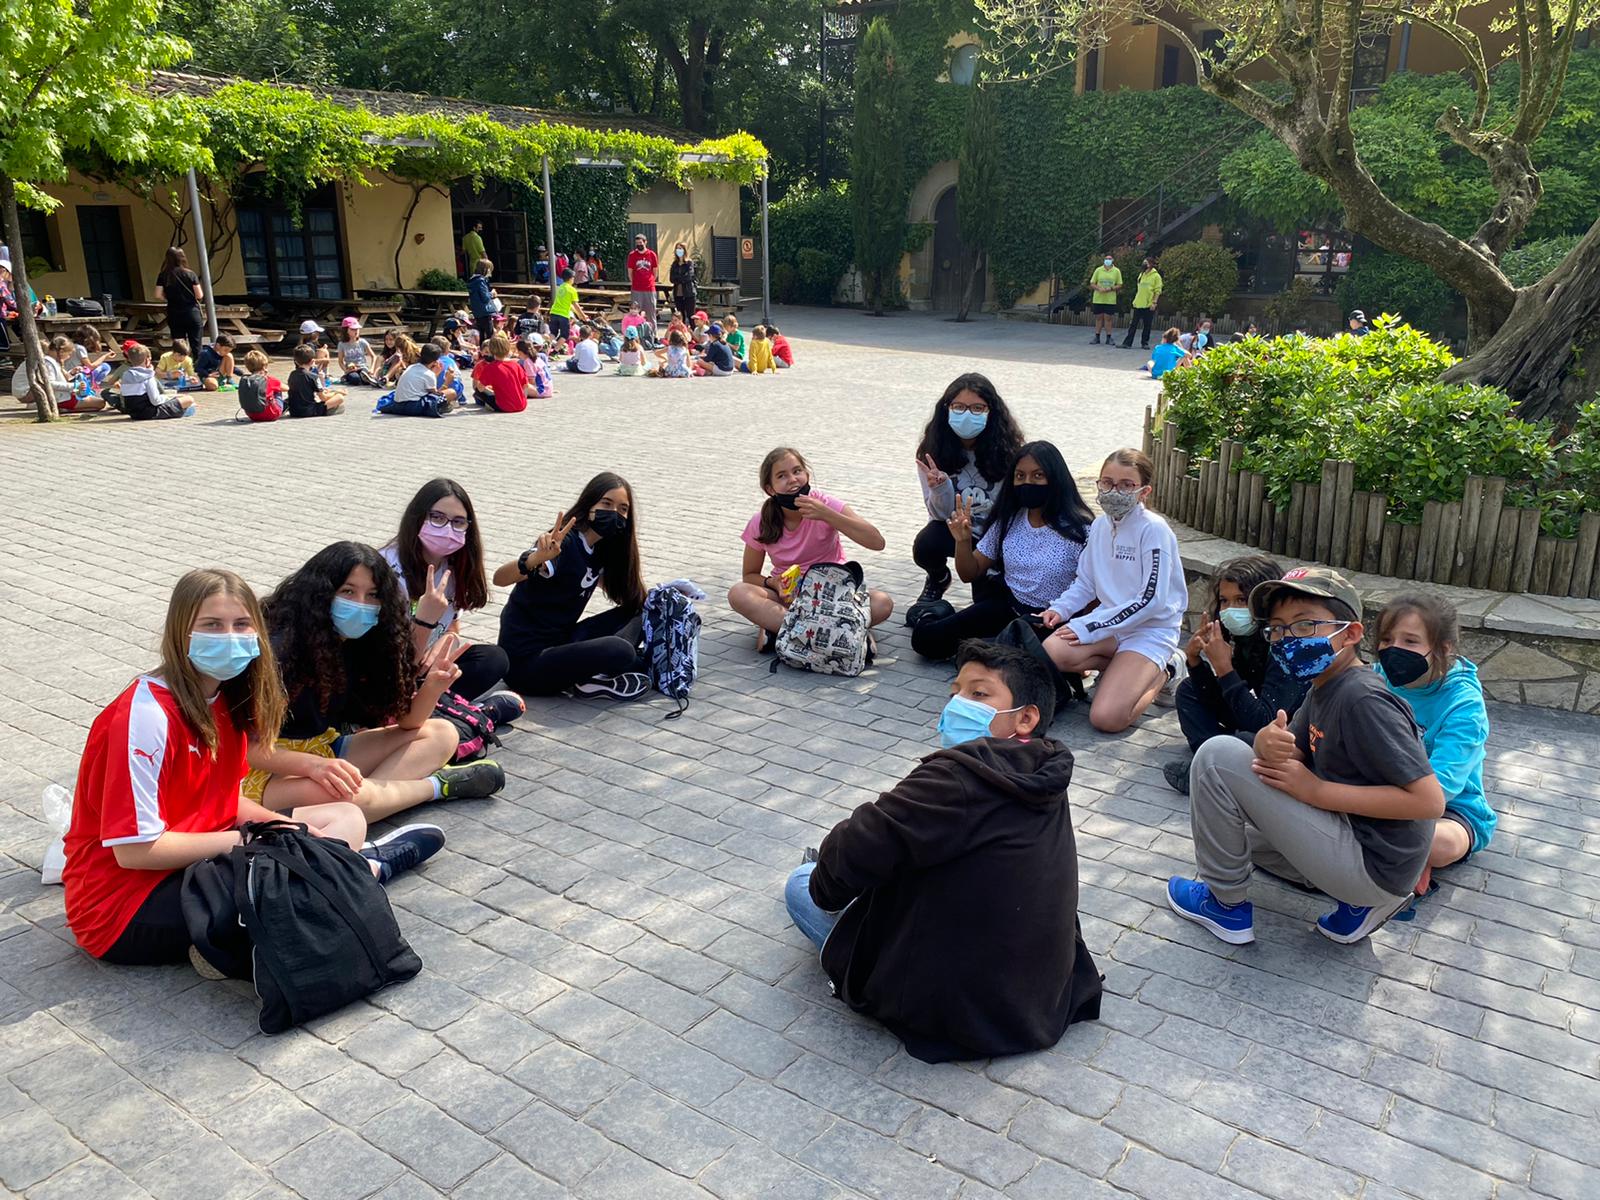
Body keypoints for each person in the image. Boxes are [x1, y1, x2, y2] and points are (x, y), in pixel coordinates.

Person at [63, 568, 444, 967]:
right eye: (212, 625)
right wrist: (254, 840)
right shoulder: (145, 717)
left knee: (342, 817)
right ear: (181, 633)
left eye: (242, 624)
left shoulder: (228, 699)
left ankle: (348, 869)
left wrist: (284, 829)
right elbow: (135, 851)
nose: (230, 636)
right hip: (124, 906)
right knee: (282, 888)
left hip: (199, 855)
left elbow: (225, 802)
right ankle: (362, 869)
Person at [784, 640, 1102, 1062]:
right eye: (956, 692)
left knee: (801, 884)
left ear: (1026, 717)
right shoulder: (1042, 769)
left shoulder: (956, 778)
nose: (958, 703)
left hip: (956, 1005)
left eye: (979, 693)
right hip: (1037, 994)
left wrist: (830, 876)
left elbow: (846, 860)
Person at [1166, 567, 1444, 945]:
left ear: (1350, 633)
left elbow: (1429, 802)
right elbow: (1292, 751)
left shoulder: (1362, 699)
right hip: (1361, 847)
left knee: (1216, 756)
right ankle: (1358, 905)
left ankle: (1224, 906)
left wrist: (1316, 792)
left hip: (1374, 864)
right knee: (1234, 836)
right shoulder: (1324, 685)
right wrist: (1266, 742)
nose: (1287, 638)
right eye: (1278, 629)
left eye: (1304, 625)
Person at [246, 542, 505, 821]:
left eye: (372, 595)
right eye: (348, 591)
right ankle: (433, 788)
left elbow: (408, 722)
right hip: (263, 770)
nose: (361, 604)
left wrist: (433, 687)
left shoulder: (360, 642)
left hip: (321, 750)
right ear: (319, 592)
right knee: (351, 796)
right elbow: (241, 749)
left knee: (443, 733)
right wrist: (312, 766)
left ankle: (373, 802)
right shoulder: (279, 650)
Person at [1039, 449, 1188, 733]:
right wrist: (1060, 609)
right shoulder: (1099, 525)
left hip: (1150, 630)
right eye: (1107, 483)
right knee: (1053, 651)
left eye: (1126, 485)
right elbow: (1086, 582)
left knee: (1106, 718)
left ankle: (1167, 669)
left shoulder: (1154, 530)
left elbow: (1151, 601)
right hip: (1112, 625)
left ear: (1144, 491)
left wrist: (1091, 627)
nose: (1114, 492)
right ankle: (1121, 672)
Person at [913, 442, 1092, 662]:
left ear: (1056, 478)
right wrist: (963, 541)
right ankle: (938, 613)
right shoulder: (1009, 519)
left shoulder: (1081, 530)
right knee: (925, 640)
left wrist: (1083, 633)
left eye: (1038, 476)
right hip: (1008, 607)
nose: (1028, 482)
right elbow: (970, 572)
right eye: (1020, 476)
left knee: (1013, 662)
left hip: (1053, 620)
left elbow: (1093, 588)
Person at [1374, 593, 1492, 894]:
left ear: (1443, 648)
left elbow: (1444, 787)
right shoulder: (1374, 680)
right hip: (1376, 793)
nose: (1394, 649)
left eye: (1410, 641)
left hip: (1449, 809)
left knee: (1439, 844)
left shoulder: (1464, 704)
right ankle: (1400, 860)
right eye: (1387, 639)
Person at [1162, 555, 1310, 795]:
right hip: (1260, 725)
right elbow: (1227, 697)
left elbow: (1264, 720)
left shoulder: (1285, 645)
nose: (1231, 610)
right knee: (1189, 690)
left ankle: (1210, 771)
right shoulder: (1247, 638)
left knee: (1251, 737)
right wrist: (1195, 661)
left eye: (1241, 600)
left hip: (1290, 739)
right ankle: (1212, 759)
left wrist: (1224, 668)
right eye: (1224, 601)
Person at [494, 474, 651, 699]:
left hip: (561, 644)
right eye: (606, 504)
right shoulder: (563, 543)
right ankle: (601, 675)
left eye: (622, 509)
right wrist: (535, 559)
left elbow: (629, 598)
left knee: (641, 609)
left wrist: (664, 596)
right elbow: (499, 578)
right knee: (620, 650)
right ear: (589, 505)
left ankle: (592, 677)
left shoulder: (601, 550)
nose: (614, 513)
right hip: (526, 665)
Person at [727, 447, 894, 650]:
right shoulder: (761, 521)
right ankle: (848, 633)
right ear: (770, 489)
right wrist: (773, 583)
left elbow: (877, 542)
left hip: (835, 595)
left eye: (797, 471)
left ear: (807, 474)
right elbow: (749, 575)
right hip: (789, 598)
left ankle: (783, 630)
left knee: (882, 603)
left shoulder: (825, 503)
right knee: (739, 593)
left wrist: (827, 514)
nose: (792, 480)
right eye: (782, 476)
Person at [382, 478, 515, 708]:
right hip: (387, 669)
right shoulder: (388, 569)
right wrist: (423, 626)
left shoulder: (454, 567)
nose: (447, 529)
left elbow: (452, 624)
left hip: (423, 669)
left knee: (493, 659)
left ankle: (434, 706)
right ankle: (445, 709)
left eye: (458, 522)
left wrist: (444, 643)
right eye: (437, 517)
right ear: (417, 517)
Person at [911, 374, 1026, 608]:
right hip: (955, 529)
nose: (967, 415)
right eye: (959, 407)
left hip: (994, 536)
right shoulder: (932, 451)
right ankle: (938, 578)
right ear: (947, 408)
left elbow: (1017, 506)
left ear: (991, 411)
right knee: (925, 544)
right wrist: (940, 488)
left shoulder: (1010, 452)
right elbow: (939, 514)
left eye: (977, 408)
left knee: (985, 602)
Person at [12, 334, 106, 413]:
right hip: (27, 392)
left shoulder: (48, 360)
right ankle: (56, 406)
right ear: (61, 351)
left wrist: (72, 373)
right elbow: (49, 383)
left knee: (95, 402)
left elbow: (56, 378)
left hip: (27, 391)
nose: (68, 357)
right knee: (100, 403)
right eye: (69, 354)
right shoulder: (47, 362)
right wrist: (75, 386)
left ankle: (48, 404)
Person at [153, 247, 205, 372]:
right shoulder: (190, 274)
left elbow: (157, 295)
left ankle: (179, 369)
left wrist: (168, 297)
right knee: (196, 344)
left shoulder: (164, 275)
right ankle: (198, 370)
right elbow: (199, 295)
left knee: (179, 344)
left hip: (174, 312)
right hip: (191, 312)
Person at [119, 343, 192, 420]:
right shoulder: (148, 377)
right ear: (147, 360)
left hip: (133, 413)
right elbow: (156, 401)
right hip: (150, 412)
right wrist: (168, 397)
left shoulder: (125, 376)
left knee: (180, 400)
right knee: (189, 399)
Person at [389, 344, 455, 416]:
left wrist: (435, 374)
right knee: (451, 392)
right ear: (435, 361)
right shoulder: (429, 374)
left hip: (397, 405)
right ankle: (439, 408)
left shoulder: (411, 367)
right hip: (413, 407)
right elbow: (435, 394)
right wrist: (447, 382)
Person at [471, 334, 531, 411]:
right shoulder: (516, 365)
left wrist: (492, 392)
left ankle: (490, 406)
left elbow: (480, 388)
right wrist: (524, 399)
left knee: (477, 392)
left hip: (503, 406)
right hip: (521, 405)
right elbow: (526, 385)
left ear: (491, 350)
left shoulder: (491, 367)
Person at [286, 344, 345, 417]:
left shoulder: (292, 374)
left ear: (296, 362)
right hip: (309, 410)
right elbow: (323, 398)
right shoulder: (313, 376)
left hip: (294, 411)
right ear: (312, 361)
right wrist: (336, 392)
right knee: (340, 397)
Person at [1121, 256, 1162, 350]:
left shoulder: (1156, 276)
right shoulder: (1141, 274)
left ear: (1151, 264)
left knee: (1147, 325)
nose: (1144, 264)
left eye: (1146, 263)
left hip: (1148, 304)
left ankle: (1145, 342)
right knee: (1133, 324)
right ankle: (1127, 343)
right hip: (1139, 303)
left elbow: (1157, 290)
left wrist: (1154, 302)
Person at [239, 349, 284, 422]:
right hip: (271, 415)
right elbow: (286, 388)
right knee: (278, 391)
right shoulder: (269, 379)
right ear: (264, 367)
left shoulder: (246, 381)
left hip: (252, 416)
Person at [626, 234, 659, 324]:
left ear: (645, 242)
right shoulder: (632, 255)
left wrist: (650, 281)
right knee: (635, 312)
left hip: (649, 289)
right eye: (637, 243)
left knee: (651, 313)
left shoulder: (652, 255)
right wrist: (634, 282)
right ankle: (637, 331)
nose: (639, 245)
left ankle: (652, 332)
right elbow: (630, 272)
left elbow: (655, 271)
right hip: (637, 288)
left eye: (640, 243)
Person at [1089, 253, 1122, 345]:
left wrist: (1110, 288)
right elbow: (1092, 283)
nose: (1108, 260)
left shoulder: (1116, 271)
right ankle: (1097, 337)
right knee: (1098, 318)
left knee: (1108, 318)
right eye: (1106, 259)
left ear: (1113, 260)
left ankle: (1109, 337)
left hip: (1110, 299)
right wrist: (1099, 288)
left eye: (1110, 259)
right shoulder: (1098, 270)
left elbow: (1120, 284)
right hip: (1098, 298)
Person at [548, 270, 586, 344]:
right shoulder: (572, 290)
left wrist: (578, 314)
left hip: (554, 312)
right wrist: (583, 315)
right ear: (571, 278)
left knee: (553, 333)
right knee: (565, 335)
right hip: (563, 315)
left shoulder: (560, 287)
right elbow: (575, 304)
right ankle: (556, 349)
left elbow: (569, 305)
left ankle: (547, 344)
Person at [468, 258, 499, 346]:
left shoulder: (472, 280)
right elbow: (485, 298)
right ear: (486, 269)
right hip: (485, 311)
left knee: (481, 334)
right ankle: (489, 351)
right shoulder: (481, 281)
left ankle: (483, 350)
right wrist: (492, 294)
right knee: (489, 335)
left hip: (477, 312)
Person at [336, 318, 377, 384]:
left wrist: (372, 369)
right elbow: (340, 361)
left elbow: (373, 356)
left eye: (357, 329)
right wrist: (345, 370)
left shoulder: (362, 342)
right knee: (355, 379)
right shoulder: (342, 344)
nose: (356, 331)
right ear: (346, 330)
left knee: (365, 376)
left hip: (362, 367)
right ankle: (348, 378)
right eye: (353, 329)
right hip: (351, 369)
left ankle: (365, 379)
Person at [669, 242, 697, 322]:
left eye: (680, 248)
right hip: (678, 294)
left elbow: (689, 276)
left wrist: (678, 278)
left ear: (684, 250)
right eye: (677, 249)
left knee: (691, 316)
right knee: (680, 316)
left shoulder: (689, 263)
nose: (678, 250)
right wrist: (681, 278)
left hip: (689, 293)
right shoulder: (674, 264)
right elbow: (672, 279)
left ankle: (693, 329)